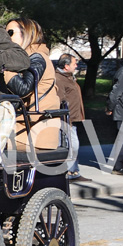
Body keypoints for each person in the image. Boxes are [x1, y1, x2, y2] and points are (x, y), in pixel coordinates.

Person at [4, 18, 62, 151]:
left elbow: (23, 88)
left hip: (34, 134)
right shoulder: (25, 59)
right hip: (23, 130)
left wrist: (4, 67)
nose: (6, 37)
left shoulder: (37, 57)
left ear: (28, 33)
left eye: (10, 33)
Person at [54, 54, 89, 182]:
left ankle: (73, 171)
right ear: (66, 66)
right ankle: (68, 172)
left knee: (73, 146)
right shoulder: (59, 78)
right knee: (71, 146)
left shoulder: (69, 77)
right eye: (74, 63)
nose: (76, 65)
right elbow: (60, 100)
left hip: (72, 118)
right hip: (65, 119)